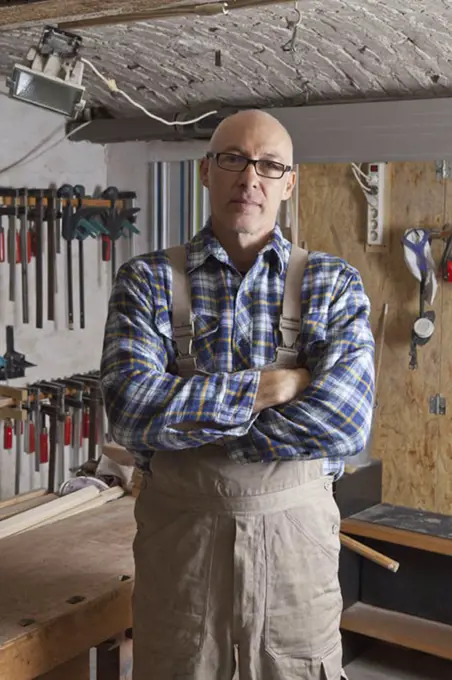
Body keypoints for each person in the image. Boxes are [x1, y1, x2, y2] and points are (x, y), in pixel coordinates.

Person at [100, 109, 375, 680]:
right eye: (233, 159)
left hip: (295, 562)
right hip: (182, 560)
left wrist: (189, 421)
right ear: (207, 171)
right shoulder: (147, 281)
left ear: (288, 182)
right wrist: (273, 387)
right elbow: (129, 411)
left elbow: (345, 424)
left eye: (270, 165)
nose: (250, 178)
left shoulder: (332, 283)